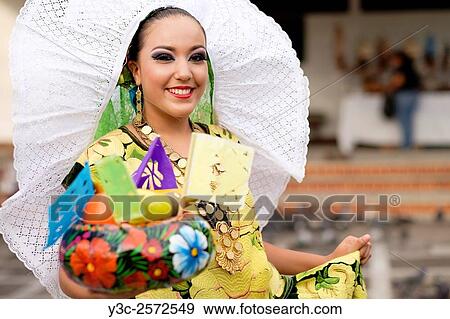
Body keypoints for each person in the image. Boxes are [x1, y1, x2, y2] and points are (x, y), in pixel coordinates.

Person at [58, 7, 372, 299]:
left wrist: (328, 260)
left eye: (196, 57)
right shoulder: (104, 160)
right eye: (165, 57)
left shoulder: (224, 144)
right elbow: (72, 275)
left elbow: (243, 243)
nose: (184, 72)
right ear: (136, 70)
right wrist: (148, 268)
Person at [386, 51, 421, 149]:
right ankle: (408, 143)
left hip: (405, 95)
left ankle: (406, 144)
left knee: (404, 120)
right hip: (413, 95)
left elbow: (398, 82)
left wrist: (389, 87)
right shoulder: (411, 68)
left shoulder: (401, 69)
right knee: (408, 120)